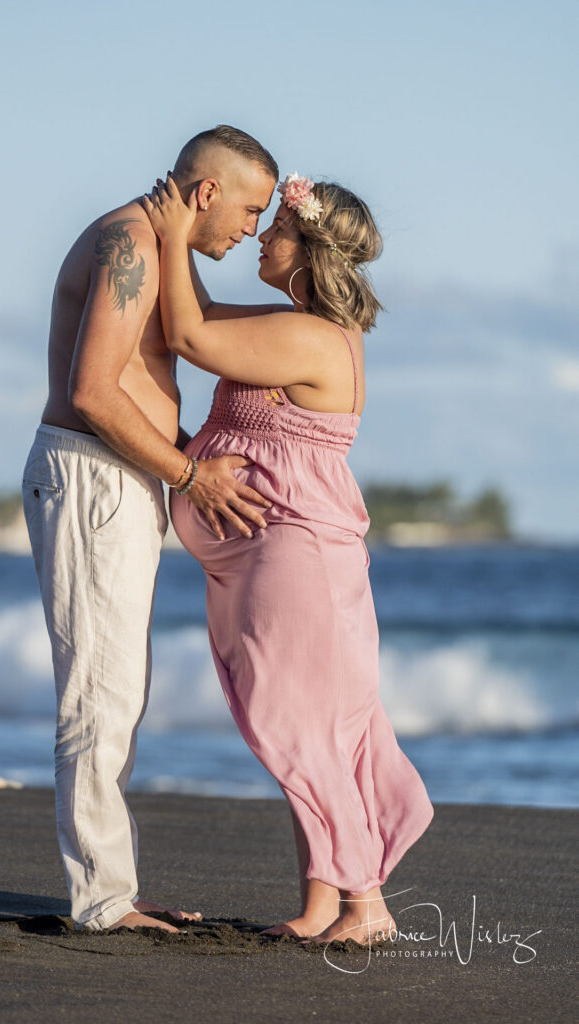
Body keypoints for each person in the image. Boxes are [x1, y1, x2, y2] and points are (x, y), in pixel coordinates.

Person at [142, 171, 435, 946]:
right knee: (317, 728)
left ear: (306, 249)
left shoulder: (308, 336)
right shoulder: (294, 322)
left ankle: (366, 905)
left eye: (276, 228)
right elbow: (196, 312)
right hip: (276, 556)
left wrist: (173, 232)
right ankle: (320, 903)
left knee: (297, 720)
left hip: (294, 555)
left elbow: (187, 337)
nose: (261, 237)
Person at [22, 125, 281, 934]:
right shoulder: (130, 241)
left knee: (116, 691)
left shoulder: (154, 244)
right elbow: (94, 392)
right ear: (205, 192)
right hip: (94, 475)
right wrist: (191, 475)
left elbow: (196, 329)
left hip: (113, 479)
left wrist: (314, 325)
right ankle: (102, 902)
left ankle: (112, 889)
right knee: (100, 695)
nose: (250, 230)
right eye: (248, 210)